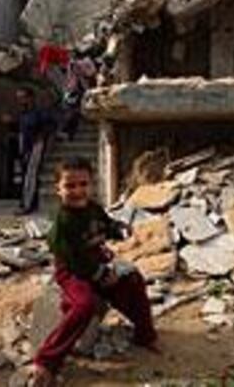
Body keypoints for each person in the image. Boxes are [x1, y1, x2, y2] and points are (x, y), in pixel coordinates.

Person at [33, 157, 157, 386]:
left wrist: (119, 230)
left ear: (92, 184)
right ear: (58, 189)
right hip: (73, 272)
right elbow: (74, 261)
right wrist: (100, 274)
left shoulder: (93, 209)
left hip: (98, 261)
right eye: (70, 186)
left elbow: (106, 225)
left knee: (133, 279)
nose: (78, 191)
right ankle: (47, 361)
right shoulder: (62, 224)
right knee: (84, 305)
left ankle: (145, 335)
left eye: (83, 184)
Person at [12, 87, 58, 215]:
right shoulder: (23, 114)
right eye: (18, 98)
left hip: (35, 148)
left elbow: (51, 125)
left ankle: (27, 206)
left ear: (30, 98)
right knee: (26, 177)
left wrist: (41, 139)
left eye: (23, 97)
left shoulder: (39, 113)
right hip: (25, 149)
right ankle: (29, 203)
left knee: (30, 177)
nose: (20, 100)